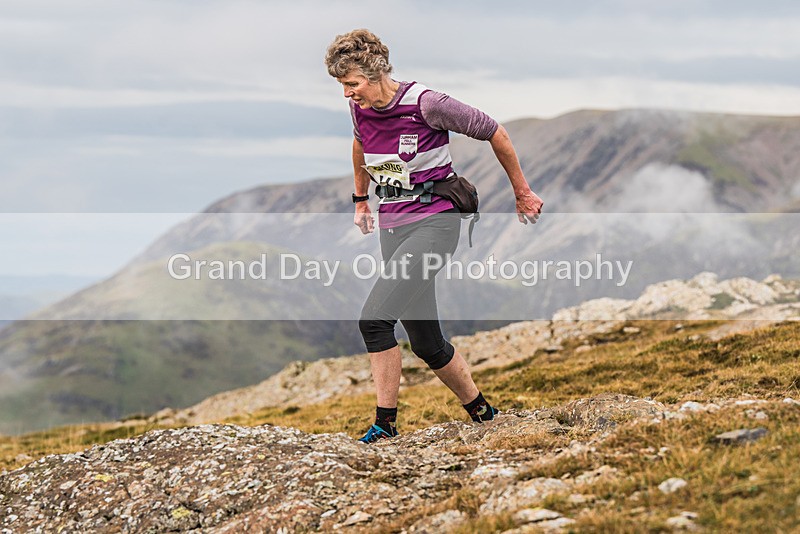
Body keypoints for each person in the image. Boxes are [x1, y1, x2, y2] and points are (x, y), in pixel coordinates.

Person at [324, 29, 543, 443]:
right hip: (393, 225)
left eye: (351, 84)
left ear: (374, 73)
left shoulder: (427, 104)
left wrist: (522, 191)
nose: (347, 94)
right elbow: (360, 145)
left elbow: (495, 131)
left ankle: (385, 426)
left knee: (374, 321)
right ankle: (483, 413)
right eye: (342, 86)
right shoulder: (361, 109)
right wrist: (360, 199)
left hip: (436, 223)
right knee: (426, 342)